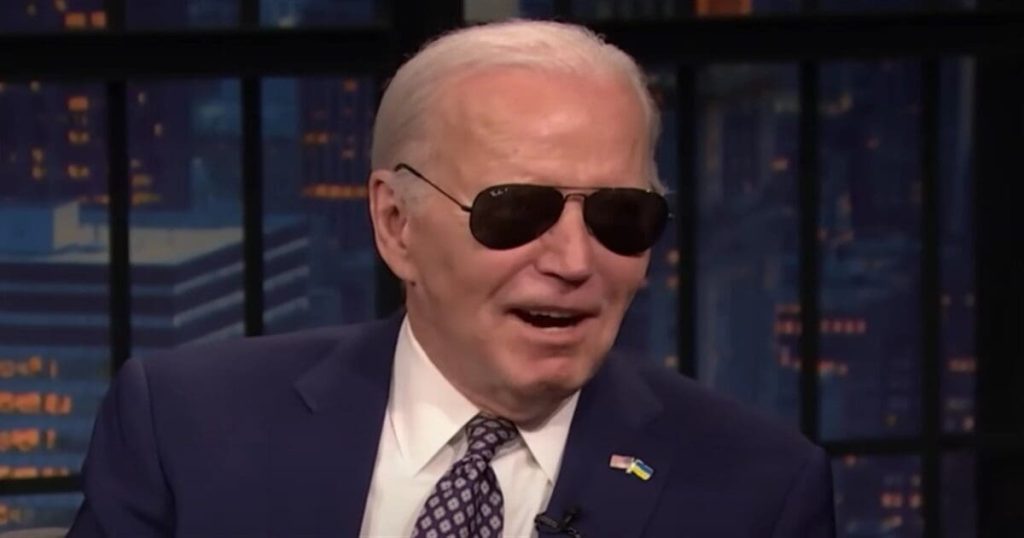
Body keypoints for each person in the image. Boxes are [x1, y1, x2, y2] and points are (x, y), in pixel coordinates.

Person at [68, 19, 835, 537]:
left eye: (619, 216)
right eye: (516, 212)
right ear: (396, 224)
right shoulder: (187, 428)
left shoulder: (759, 491)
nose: (574, 261)